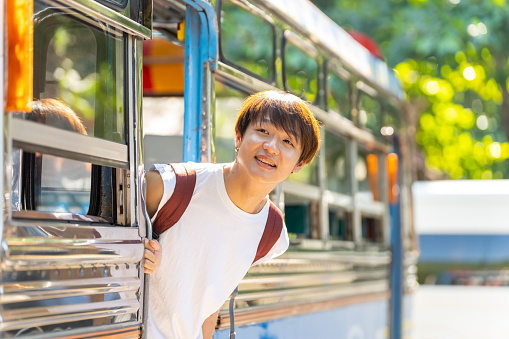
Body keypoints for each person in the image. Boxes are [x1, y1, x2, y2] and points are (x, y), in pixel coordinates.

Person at [142, 90, 321, 339]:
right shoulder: (169, 186)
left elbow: (209, 302)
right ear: (239, 137)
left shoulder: (271, 232)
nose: (271, 147)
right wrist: (136, 255)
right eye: (263, 132)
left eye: (287, 142)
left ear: (299, 164)